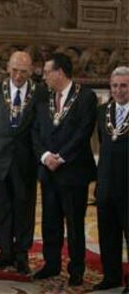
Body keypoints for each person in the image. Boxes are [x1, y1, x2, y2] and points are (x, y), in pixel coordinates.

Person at [32, 53, 97, 286]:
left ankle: (76, 269)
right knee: (50, 222)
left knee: (74, 223)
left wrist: (62, 157)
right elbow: (36, 131)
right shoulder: (44, 98)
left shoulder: (85, 97)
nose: (44, 77)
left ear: (60, 72)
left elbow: (83, 132)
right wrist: (45, 156)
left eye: (47, 72)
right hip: (48, 171)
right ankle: (51, 264)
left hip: (74, 172)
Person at [0, 51, 42, 275]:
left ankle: (21, 254)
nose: (18, 75)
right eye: (15, 70)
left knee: (24, 208)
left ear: (31, 71)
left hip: (26, 162)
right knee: (1, 208)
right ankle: (5, 252)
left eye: (24, 72)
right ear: (8, 68)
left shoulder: (39, 92)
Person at [93, 66, 129, 291]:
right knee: (108, 236)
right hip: (106, 185)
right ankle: (111, 277)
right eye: (114, 86)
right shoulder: (103, 110)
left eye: (124, 85)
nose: (118, 90)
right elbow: (102, 142)